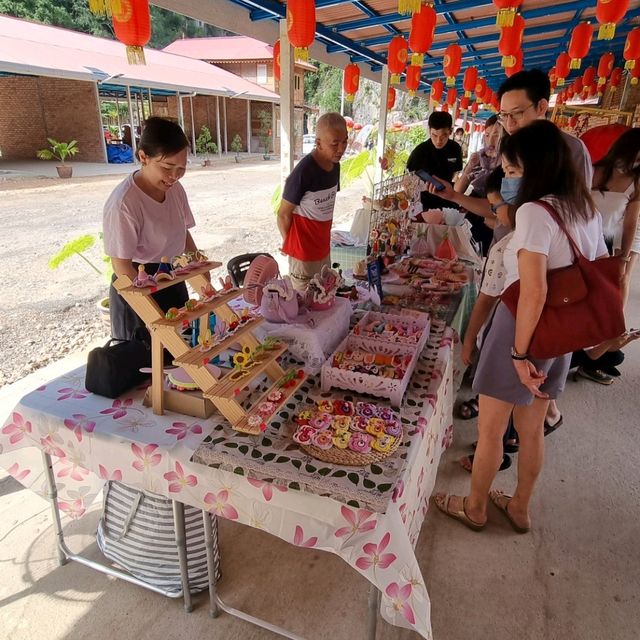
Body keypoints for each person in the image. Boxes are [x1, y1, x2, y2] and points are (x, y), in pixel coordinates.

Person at [434, 120, 608, 533]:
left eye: (513, 171)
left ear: (538, 168)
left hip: (522, 330)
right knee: (532, 429)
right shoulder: (583, 209)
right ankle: (519, 507)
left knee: (491, 430)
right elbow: (597, 268)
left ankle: (475, 506)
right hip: (561, 333)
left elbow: (532, 290)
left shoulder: (534, 211)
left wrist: (517, 352)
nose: (509, 180)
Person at [426, 69, 593, 233]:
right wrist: (454, 196)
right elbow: (499, 208)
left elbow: (576, 216)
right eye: (504, 115)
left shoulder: (570, 150)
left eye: (517, 114)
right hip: (503, 249)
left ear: (541, 107)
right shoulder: (510, 147)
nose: (509, 124)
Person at [103, 116, 205, 341]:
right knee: (147, 363)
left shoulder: (175, 190)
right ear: (143, 157)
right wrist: (152, 314)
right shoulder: (125, 203)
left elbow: (183, 232)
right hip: (137, 287)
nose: (174, 177)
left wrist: (200, 269)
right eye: (168, 167)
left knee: (180, 354)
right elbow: (122, 266)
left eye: (181, 169)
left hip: (171, 277)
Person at [277, 112, 348, 291]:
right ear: (318, 143)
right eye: (335, 143)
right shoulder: (303, 172)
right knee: (304, 308)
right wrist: (291, 245)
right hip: (303, 257)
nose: (341, 149)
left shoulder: (335, 166)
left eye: (345, 142)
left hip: (324, 250)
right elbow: (283, 214)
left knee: (326, 299)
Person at [590, 128, 640, 307]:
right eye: (636, 158)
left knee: (616, 280)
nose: (636, 163)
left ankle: (615, 326)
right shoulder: (592, 171)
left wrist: (623, 258)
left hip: (612, 238)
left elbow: (630, 223)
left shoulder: (635, 182)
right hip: (586, 235)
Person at [454, 114, 504, 254]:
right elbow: (458, 190)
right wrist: (469, 166)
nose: (491, 140)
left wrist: (456, 198)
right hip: (471, 220)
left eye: (496, 135)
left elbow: (498, 208)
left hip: (493, 226)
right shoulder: (481, 159)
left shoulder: (509, 164)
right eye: (487, 135)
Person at [407, 111, 462, 213]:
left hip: (448, 201)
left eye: (443, 135)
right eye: (434, 135)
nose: (438, 140)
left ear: (450, 131)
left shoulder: (455, 148)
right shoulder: (420, 151)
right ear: (429, 131)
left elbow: (456, 174)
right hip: (424, 203)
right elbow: (409, 178)